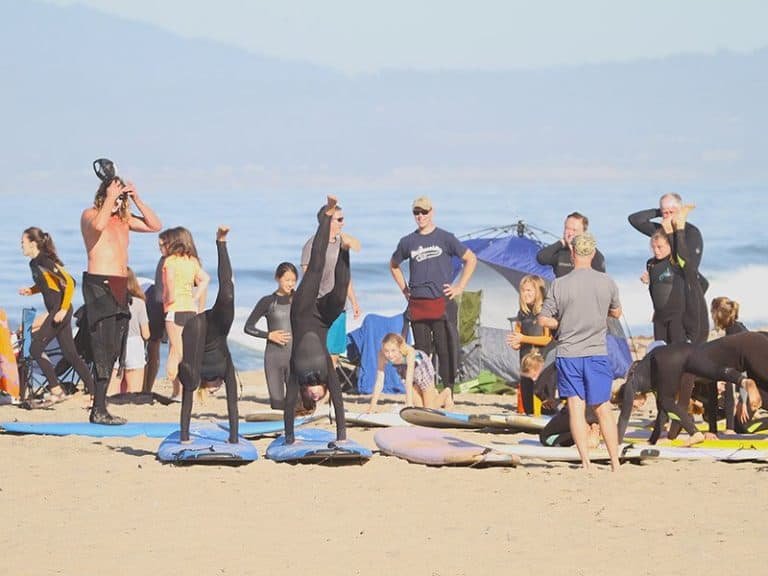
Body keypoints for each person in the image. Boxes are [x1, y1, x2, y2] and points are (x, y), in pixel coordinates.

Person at [80, 159, 161, 424]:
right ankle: (98, 408)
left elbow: (154, 225)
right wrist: (110, 197)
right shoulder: (91, 215)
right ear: (103, 197)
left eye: (118, 199)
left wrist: (136, 198)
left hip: (119, 285)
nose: (117, 203)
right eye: (113, 198)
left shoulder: (123, 220)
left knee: (115, 347)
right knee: (102, 347)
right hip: (98, 284)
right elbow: (98, 226)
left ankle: (100, 406)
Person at [538, 232, 623, 471]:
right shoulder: (607, 282)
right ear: (593, 254)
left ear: (573, 254)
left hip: (569, 353)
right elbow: (617, 312)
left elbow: (544, 319)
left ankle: (586, 462)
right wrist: (600, 313)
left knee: (576, 408)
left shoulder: (560, 284)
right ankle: (615, 462)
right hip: (596, 352)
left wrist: (561, 323)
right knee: (602, 408)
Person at [390, 196, 477, 394]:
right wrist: (405, 289)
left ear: (432, 212)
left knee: (445, 348)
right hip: (418, 303)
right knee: (421, 351)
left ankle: (448, 389)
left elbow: (470, 259)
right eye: (417, 213)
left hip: (441, 301)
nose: (420, 216)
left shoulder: (445, 238)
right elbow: (393, 265)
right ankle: (425, 390)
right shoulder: (407, 241)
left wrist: (459, 287)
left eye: (424, 212)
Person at [284, 196, 351, 444]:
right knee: (340, 291)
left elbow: (289, 402)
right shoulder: (328, 371)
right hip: (322, 318)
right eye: (318, 397)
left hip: (301, 314)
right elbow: (339, 401)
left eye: (310, 397)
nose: (315, 394)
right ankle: (345, 252)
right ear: (324, 391)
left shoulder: (296, 373)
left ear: (304, 392)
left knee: (315, 267)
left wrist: (289, 437)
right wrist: (341, 437)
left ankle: (326, 214)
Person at [19, 227, 94, 402]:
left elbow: (69, 281)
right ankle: (94, 392)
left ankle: (56, 389)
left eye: (23, 242)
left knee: (35, 348)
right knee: (71, 355)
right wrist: (31, 290)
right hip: (58, 311)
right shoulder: (34, 263)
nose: (20, 245)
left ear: (33, 243)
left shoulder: (44, 260)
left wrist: (62, 309)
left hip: (60, 311)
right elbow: (48, 284)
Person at [178, 226, 239, 443]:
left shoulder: (198, 378)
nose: (215, 390)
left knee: (190, 378)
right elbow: (233, 402)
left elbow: (232, 404)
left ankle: (220, 242)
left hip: (197, 329)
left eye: (211, 391)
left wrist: (234, 439)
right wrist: (233, 438)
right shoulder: (226, 371)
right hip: (209, 329)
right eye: (217, 390)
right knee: (228, 294)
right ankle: (221, 242)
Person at [300, 203, 361, 378]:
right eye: (339, 219)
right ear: (327, 221)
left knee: (334, 350)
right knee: (318, 348)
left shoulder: (342, 243)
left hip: (339, 305)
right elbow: (306, 276)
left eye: (343, 219)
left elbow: (346, 273)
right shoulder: (311, 245)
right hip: (318, 304)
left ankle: (328, 389)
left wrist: (354, 302)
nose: (343, 223)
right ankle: (316, 383)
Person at [162, 227, 210, 401]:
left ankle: (178, 390)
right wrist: (196, 298)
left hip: (174, 309)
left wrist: (168, 298)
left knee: (175, 351)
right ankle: (182, 391)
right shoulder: (192, 261)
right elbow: (205, 279)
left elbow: (170, 285)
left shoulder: (170, 262)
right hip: (190, 309)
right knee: (186, 350)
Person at [244, 262, 298, 410]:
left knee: (296, 402)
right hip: (273, 358)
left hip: (294, 357)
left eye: (293, 280)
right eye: (287, 280)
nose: (290, 284)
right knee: (277, 404)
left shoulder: (299, 301)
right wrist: (269, 335)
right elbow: (248, 327)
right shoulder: (267, 301)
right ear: (277, 278)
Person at [368, 333, 454, 412]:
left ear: (400, 348)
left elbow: (409, 381)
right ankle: (433, 393)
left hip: (421, 367)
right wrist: (372, 407)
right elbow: (379, 381)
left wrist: (408, 404)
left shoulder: (409, 352)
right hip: (404, 369)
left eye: (393, 351)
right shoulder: (382, 355)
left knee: (428, 409)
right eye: (387, 351)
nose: (390, 355)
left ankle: (446, 393)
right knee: (420, 409)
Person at [506, 275, 553, 414]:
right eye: (523, 290)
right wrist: (515, 342)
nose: (525, 294)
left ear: (538, 292)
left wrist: (523, 338)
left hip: (540, 361)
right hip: (525, 361)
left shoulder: (545, 311)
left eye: (529, 291)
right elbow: (518, 335)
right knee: (527, 402)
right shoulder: (522, 313)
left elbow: (546, 339)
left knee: (542, 398)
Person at [640, 230, 688, 344]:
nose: (656, 251)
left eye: (659, 247)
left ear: (669, 245)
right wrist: (649, 280)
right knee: (660, 352)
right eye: (653, 247)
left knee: (677, 352)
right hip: (659, 317)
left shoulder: (676, 262)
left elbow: (699, 283)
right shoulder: (650, 263)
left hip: (677, 316)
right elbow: (657, 286)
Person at [108, 267, 149, 395]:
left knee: (111, 390)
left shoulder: (110, 302)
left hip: (113, 343)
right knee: (134, 391)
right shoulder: (138, 303)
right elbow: (146, 334)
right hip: (134, 344)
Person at [143, 228, 171, 393]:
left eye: (163, 244)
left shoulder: (173, 261)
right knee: (151, 348)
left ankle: (147, 388)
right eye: (159, 244)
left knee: (154, 348)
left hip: (163, 306)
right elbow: (160, 290)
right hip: (155, 305)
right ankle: (145, 388)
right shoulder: (164, 260)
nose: (160, 247)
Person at [536, 212, 606, 278]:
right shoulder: (560, 252)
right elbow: (541, 258)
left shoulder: (592, 254)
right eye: (567, 228)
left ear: (583, 233)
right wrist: (561, 242)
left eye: (574, 230)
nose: (570, 233)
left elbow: (600, 279)